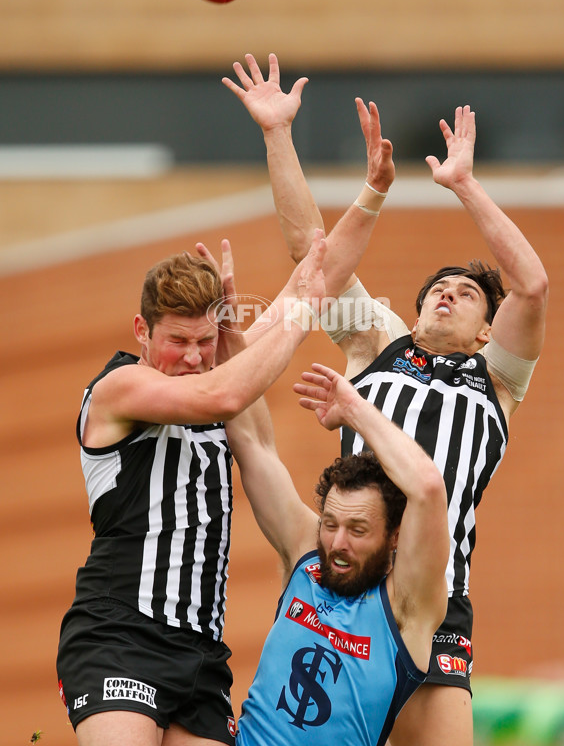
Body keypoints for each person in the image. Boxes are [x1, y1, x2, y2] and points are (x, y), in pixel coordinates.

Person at [223, 53, 549, 746]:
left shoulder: (498, 380)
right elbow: (310, 254)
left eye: (466, 293)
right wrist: (279, 135)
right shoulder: (379, 343)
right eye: (439, 286)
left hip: (430, 601)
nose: (448, 292)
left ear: (488, 329)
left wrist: (462, 185)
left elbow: (533, 286)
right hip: (351, 578)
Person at [55, 156, 393, 746]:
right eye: (176, 341)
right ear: (142, 331)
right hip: (119, 633)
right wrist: (291, 317)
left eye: (205, 340)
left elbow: (316, 279)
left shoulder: (215, 367)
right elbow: (230, 388)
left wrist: (371, 193)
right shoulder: (120, 388)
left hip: (201, 654)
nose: (191, 356)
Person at [223, 361, 449, 746]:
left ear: (394, 537)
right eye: (330, 524)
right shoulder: (305, 555)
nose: (338, 543)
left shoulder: (405, 607)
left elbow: (427, 489)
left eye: (358, 530)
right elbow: (252, 442)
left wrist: (355, 410)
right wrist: (223, 337)